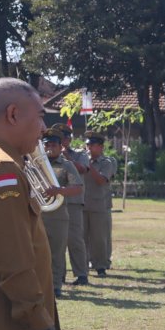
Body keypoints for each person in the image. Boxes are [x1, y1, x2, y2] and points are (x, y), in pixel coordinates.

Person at [0, 77, 65, 330]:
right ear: (12, 114)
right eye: (39, 117)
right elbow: (14, 262)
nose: (43, 128)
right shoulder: (3, 170)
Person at [41, 128, 83, 297]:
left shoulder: (67, 165)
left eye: (53, 144)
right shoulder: (35, 164)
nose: (50, 147)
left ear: (60, 146)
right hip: (37, 213)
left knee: (57, 253)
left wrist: (58, 190)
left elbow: (77, 188)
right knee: (37, 252)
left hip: (57, 215)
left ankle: (56, 285)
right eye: (47, 144)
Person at [52, 123, 91, 286]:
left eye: (66, 137)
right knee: (57, 240)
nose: (64, 140)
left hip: (73, 202)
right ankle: (58, 275)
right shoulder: (50, 157)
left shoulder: (80, 154)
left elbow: (83, 169)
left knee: (75, 239)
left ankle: (81, 274)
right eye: (61, 138)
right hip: (55, 202)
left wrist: (66, 156)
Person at [83, 131, 114, 278]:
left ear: (100, 147)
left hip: (99, 205)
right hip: (82, 204)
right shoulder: (81, 160)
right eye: (87, 144)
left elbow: (101, 180)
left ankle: (101, 265)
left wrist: (88, 165)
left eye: (92, 145)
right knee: (82, 237)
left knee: (99, 238)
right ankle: (83, 265)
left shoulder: (106, 162)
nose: (88, 147)